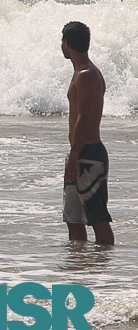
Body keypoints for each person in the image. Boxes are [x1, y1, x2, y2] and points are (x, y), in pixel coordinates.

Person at [62, 20, 114, 244]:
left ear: (66, 43)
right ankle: (80, 266)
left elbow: (83, 118)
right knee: (73, 219)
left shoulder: (86, 74)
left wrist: (74, 154)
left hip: (88, 153)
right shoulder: (83, 73)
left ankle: (103, 273)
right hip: (80, 153)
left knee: (97, 219)